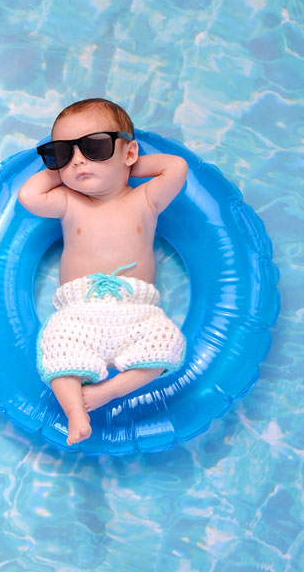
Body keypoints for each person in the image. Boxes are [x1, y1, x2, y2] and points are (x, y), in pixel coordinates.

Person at [18, 98, 187, 445]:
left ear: (129, 153)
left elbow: (176, 167)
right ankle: (75, 411)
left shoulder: (146, 200)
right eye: (62, 153)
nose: (79, 160)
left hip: (136, 309)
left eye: (95, 147)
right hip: (79, 309)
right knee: (56, 348)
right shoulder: (69, 201)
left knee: (167, 344)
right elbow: (28, 195)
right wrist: (66, 171)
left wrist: (130, 166)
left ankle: (108, 392)